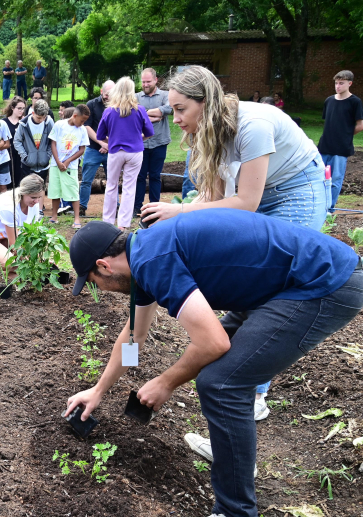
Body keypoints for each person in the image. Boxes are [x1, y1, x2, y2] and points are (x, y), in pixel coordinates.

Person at [65, 212, 363, 517]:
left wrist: (166, 383)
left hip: (320, 286)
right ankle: (233, 456)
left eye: (91, 282)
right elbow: (136, 337)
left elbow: (214, 343)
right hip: (282, 286)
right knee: (219, 373)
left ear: (103, 266)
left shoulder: (152, 261)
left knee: (221, 383)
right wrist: (98, 390)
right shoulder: (143, 256)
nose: (98, 290)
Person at [140, 64, 331, 420]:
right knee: (251, 283)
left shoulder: (252, 127)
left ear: (206, 102)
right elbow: (212, 199)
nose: (175, 118)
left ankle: (251, 393)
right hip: (253, 192)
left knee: (273, 281)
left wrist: (178, 211)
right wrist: (123, 370)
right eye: (172, 109)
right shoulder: (145, 272)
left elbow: (246, 203)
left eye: (181, 109)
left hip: (294, 188)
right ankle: (238, 379)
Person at [97, 77, 153, 230]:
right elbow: (149, 132)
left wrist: (113, 139)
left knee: (111, 185)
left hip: (115, 151)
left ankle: (108, 222)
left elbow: (100, 136)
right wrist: (139, 138)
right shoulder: (140, 109)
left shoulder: (109, 111)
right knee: (129, 187)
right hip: (135, 152)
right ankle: (123, 224)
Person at [0, 174, 44, 287]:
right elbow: (15, 245)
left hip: (5, 238)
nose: (36, 201)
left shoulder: (33, 206)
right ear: (23, 193)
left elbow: (28, 234)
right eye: (33, 197)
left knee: (30, 256)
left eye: (39, 197)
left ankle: (12, 275)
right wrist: (25, 257)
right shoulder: (9, 207)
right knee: (11, 260)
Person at [318, 70, 363, 213]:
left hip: (341, 148)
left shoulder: (355, 102)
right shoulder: (329, 100)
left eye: (341, 83)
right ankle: (318, 206)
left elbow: (361, 125)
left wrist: (345, 135)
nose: (338, 86)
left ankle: (329, 209)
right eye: (336, 83)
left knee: (335, 179)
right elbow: (329, 122)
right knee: (319, 177)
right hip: (324, 146)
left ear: (349, 84)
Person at [133, 68, 172, 218]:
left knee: (155, 176)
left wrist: (143, 113)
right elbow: (132, 112)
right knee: (140, 176)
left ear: (156, 80)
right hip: (140, 143)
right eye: (143, 81)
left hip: (159, 142)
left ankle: (155, 208)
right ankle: (138, 207)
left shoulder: (165, 95)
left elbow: (168, 109)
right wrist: (155, 115)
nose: (145, 84)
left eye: (148, 81)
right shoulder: (135, 97)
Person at [48, 104, 89, 228]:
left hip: (70, 166)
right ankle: (54, 216)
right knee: (55, 190)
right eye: (82, 120)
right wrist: (58, 161)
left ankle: (77, 218)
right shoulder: (59, 125)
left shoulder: (82, 130)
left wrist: (67, 161)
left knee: (73, 191)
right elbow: (53, 144)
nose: (83, 123)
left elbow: (82, 149)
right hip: (56, 164)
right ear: (75, 116)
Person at [78, 80, 114, 216]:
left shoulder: (118, 106)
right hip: (93, 148)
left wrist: (108, 145)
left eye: (111, 94)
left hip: (112, 150)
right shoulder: (91, 105)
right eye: (106, 94)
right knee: (86, 180)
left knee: (113, 180)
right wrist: (102, 143)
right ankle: (82, 207)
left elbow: (118, 128)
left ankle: (114, 206)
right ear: (101, 91)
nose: (108, 97)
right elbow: (87, 127)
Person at [13, 99, 54, 184]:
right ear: (33, 113)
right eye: (39, 117)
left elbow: (53, 140)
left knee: (41, 189)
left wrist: (48, 155)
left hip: (44, 165)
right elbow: (17, 141)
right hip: (28, 166)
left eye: (44, 117)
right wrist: (25, 156)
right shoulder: (23, 124)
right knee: (28, 191)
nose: (41, 120)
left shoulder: (49, 122)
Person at [2, 96, 26, 187]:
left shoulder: (24, 122)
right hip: (8, 154)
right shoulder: (4, 122)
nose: (21, 111)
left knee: (20, 181)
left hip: (21, 154)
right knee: (8, 181)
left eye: (23, 108)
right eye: (19, 108)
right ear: (12, 107)